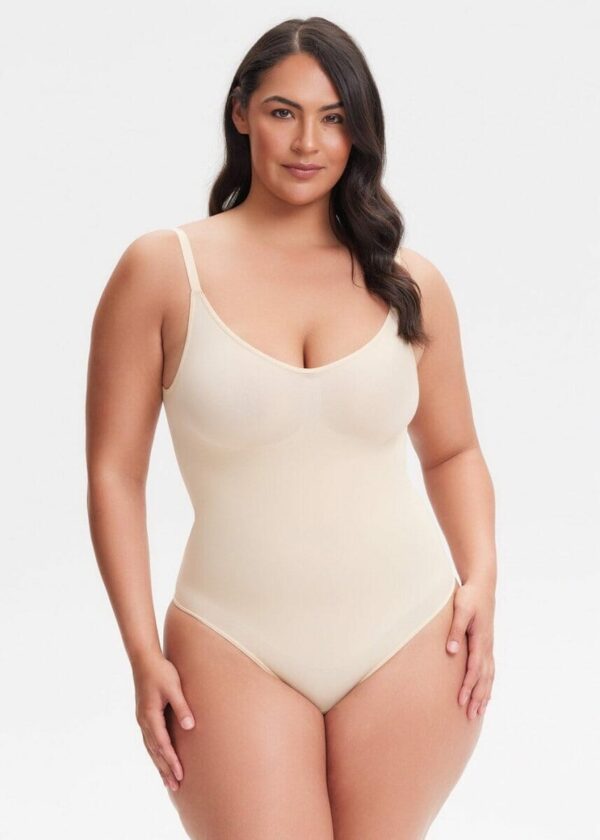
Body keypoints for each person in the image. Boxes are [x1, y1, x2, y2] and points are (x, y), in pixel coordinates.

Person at [86, 16, 496, 840]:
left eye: (334, 118)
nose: (309, 142)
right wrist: (140, 652)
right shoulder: (163, 270)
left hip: (412, 639)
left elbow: (453, 451)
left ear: (359, 131)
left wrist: (483, 580)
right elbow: (114, 474)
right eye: (284, 112)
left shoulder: (410, 283)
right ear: (241, 112)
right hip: (230, 644)